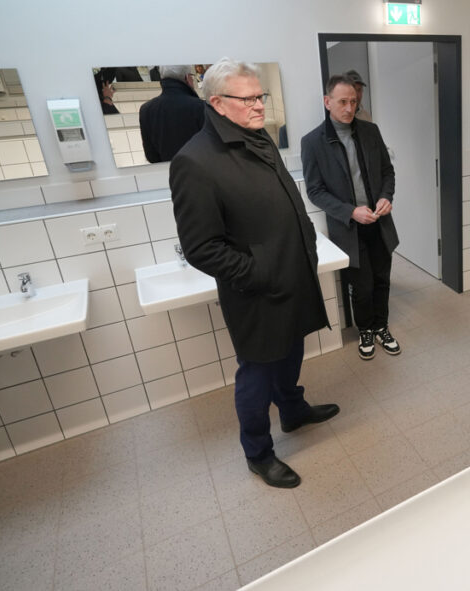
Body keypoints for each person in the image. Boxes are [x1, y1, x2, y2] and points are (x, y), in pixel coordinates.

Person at [170, 58, 339, 489]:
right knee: (257, 373)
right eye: (247, 99)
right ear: (218, 104)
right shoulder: (196, 161)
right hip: (258, 290)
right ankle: (258, 452)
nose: (259, 105)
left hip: (293, 274)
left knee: (293, 350)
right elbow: (201, 248)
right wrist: (261, 273)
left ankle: (294, 410)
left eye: (260, 95)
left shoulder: (257, 138)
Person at [301, 74, 400, 360]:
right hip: (348, 227)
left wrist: (386, 197)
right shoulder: (312, 142)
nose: (349, 108)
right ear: (327, 101)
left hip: (379, 221)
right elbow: (315, 191)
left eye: (353, 102)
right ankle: (365, 330)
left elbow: (387, 172)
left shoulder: (370, 131)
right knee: (361, 285)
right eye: (342, 101)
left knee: (382, 279)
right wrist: (350, 211)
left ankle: (382, 326)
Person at [139, 64, 206, 163]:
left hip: (169, 174)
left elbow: (151, 156)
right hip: (200, 172)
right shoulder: (200, 107)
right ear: (187, 78)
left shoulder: (146, 110)